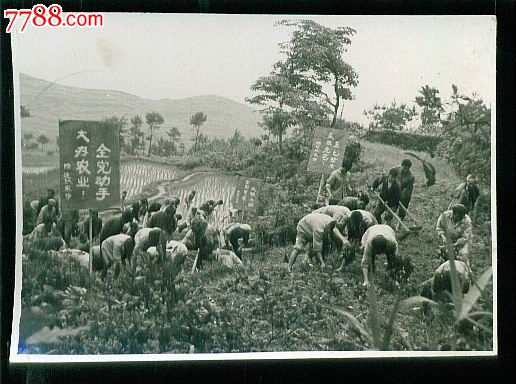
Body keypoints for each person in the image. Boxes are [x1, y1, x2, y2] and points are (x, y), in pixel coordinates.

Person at [360, 224, 400, 288]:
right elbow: (365, 261)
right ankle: (370, 271)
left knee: (391, 258)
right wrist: (366, 281)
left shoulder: (392, 243)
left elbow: (395, 258)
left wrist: (394, 277)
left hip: (388, 229)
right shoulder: (369, 243)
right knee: (369, 260)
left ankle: (391, 276)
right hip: (371, 230)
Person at [436, 204, 473, 268]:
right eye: (458, 216)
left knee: (463, 256)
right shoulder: (444, 216)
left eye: (461, 217)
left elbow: (466, 236)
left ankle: (467, 272)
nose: (459, 219)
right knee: (446, 255)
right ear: (453, 213)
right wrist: (444, 238)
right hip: (448, 238)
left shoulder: (467, 221)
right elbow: (439, 228)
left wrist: (455, 245)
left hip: (462, 240)